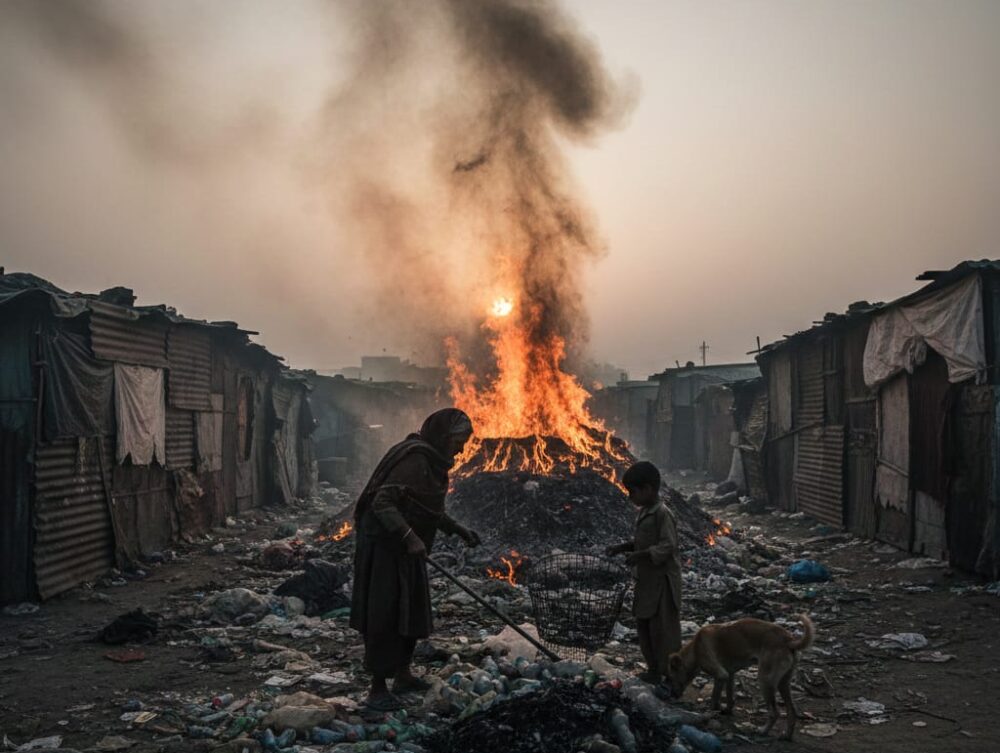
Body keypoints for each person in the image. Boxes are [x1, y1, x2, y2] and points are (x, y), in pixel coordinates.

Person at [350, 408, 482, 711]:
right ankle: (377, 688)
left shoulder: (433, 462)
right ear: (442, 436)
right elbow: (383, 503)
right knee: (385, 613)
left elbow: (424, 508)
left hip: (408, 547)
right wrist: (410, 537)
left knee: (412, 609)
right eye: (458, 442)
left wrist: (458, 530)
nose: (461, 449)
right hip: (384, 547)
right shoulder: (415, 459)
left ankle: (404, 674)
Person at [606, 461, 682, 684]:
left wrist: (640, 556)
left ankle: (672, 675)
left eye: (633, 492)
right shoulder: (645, 512)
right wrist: (623, 547)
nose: (631, 497)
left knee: (663, 631)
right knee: (644, 626)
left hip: (662, 584)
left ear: (648, 489)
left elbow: (669, 546)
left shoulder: (662, 514)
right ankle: (653, 670)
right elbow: (642, 541)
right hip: (647, 581)